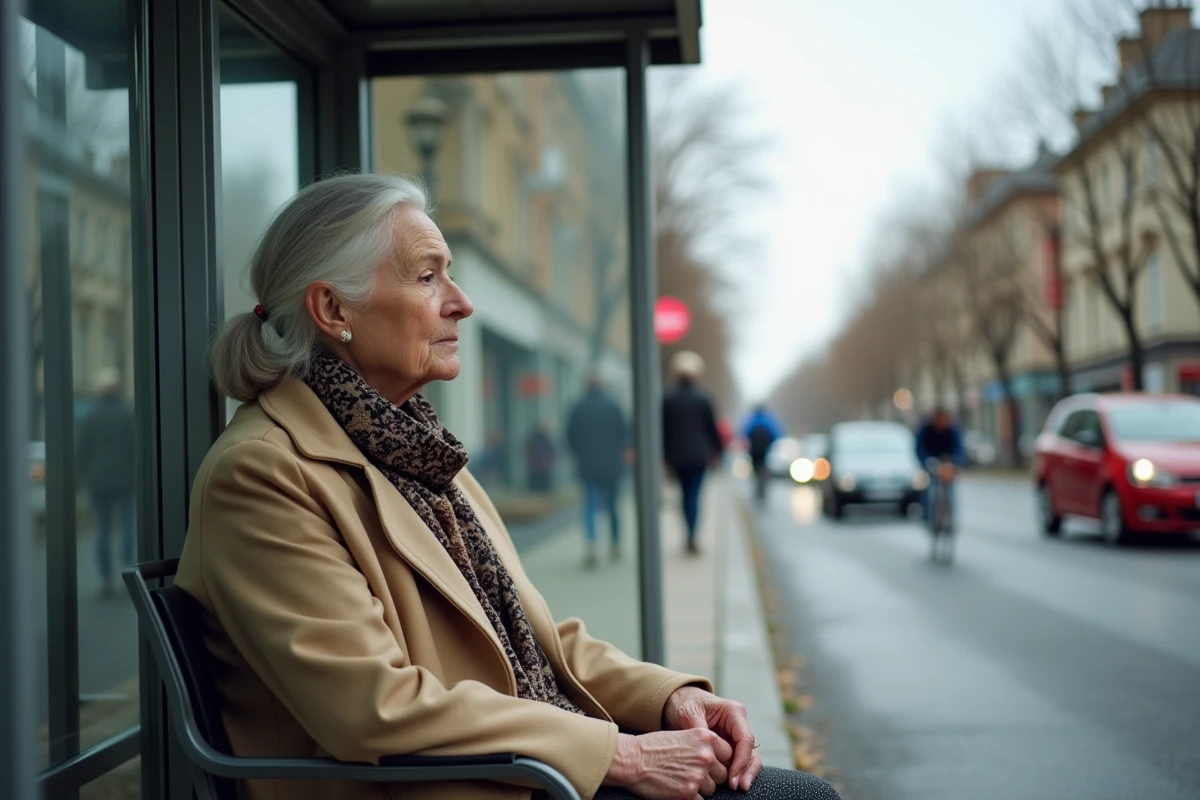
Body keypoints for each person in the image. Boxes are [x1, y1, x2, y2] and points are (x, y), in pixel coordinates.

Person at [175, 175, 837, 800]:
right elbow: (374, 707)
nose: (461, 302)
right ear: (331, 308)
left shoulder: (417, 453)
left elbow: (540, 637)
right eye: (429, 277)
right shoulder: (262, 474)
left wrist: (668, 698)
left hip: (516, 770)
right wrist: (623, 755)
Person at [76, 368, 136, 597]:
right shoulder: (127, 414)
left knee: (102, 529)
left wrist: (81, 478)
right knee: (127, 528)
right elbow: (136, 447)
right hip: (126, 480)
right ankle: (128, 576)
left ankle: (104, 579)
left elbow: (81, 451)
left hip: (98, 481)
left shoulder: (90, 416)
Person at [662, 351, 725, 555]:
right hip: (699, 457)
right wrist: (718, 453)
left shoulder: (668, 398)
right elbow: (712, 429)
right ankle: (692, 535)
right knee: (694, 497)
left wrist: (665, 457)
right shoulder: (704, 398)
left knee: (684, 497)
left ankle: (687, 535)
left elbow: (662, 431)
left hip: (677, 458)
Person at [567, 375, 629, 567]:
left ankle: (592, 544)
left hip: (588, 465)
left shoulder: (578, 407)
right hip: (611, 465)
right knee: (612, 506)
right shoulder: (614, 406)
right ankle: (615, 543)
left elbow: (570, 437)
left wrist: (581, 454)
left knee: (590, 506)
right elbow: (625, 434)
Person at [915, 406, 967, 523]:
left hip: (948, 463)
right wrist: (927, 462)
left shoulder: (952, 431)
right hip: (931, 463)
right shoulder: (925, 430)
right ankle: (926, 515)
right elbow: (920, 449)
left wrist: (956, 463)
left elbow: (959, 449)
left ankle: (950, 516)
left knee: (950, 491)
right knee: (927, 490)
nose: (941, 422)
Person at [741, 404, 785, 501]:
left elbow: (744, 432)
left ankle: (758, 487)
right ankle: (762, 487)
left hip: (754, 449)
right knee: (763, 467)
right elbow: (776, 433)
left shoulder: (752, 419)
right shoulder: (768, 419)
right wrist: (771, 444)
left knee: (756, 468)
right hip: (765, 449)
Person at [525, 423, 556, 494]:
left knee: (534, 492)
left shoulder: (531, 439)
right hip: (543, 469)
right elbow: (552, 452)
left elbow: (527, 452)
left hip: (534, 468)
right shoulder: (546, 440)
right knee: (544, 492)